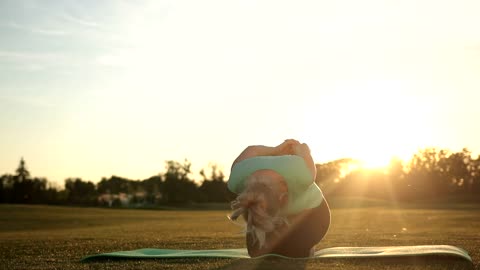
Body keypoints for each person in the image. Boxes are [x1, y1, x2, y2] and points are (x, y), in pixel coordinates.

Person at [227, 139, 331, 258]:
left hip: (312, 212)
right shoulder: (238, 179)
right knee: (256, 253)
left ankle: (305, 247)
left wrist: (297, 150)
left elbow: (252, 149)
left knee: (294, 252)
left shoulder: (300, 174)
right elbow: (252, 149)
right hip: (278, 214)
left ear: (283, 191)